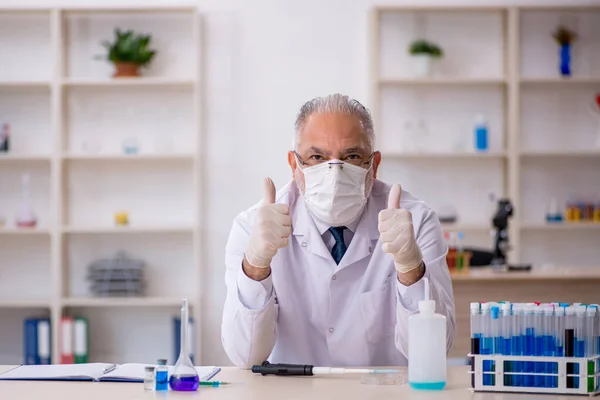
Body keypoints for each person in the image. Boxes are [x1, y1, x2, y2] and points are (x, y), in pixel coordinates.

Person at [221, 94, 455, 368]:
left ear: (374, 165)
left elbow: (435, 352)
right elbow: (244, 356)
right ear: (294, 165)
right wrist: (255, 266)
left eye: (352, 156)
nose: (334, 173)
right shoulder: (253, 227)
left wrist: (410, 269)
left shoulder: (415, 221)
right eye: (317, 156)